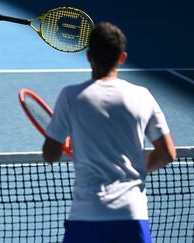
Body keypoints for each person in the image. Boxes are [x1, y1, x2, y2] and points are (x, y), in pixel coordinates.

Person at [42, 22, 176, 243]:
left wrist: (62, 141)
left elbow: (50, 155)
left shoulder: (70, 97)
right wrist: (137, 169)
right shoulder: (142, 96)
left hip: (85, 218)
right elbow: (167, 154)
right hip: (131, 217)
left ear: (88, 56)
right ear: (122, 57)